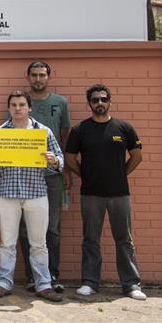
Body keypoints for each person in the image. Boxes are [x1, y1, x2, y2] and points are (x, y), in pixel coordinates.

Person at [0, 90, 64, 302]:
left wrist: (54, 160)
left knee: (39, 243)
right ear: (9, 108)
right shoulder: (0, 133)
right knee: (7, 242)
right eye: (14, 105)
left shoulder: (42, 132)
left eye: (22, 105)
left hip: (36, 192)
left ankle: (43, 284)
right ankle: (3, 282)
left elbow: (60, 160)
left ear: (29, 107)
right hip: (7, 193)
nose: (18, 108)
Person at [65, 83, 146, 300]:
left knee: (124, 240)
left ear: (110, 101)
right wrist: (85, 175)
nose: (99, 103)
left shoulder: (124, 128)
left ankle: (131, 285)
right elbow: (70, 158)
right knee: (91, 239)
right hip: (91, 194)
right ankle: (90, 283)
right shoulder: (80, 130)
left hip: (120, 194)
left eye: (103, 99)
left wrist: (121, 174)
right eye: (95, 100)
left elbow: (136, 156)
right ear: (89, 103)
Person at [16, 61, 70, 293]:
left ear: (49, 77)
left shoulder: (60, 103)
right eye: (34, 75)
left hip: (52, 176)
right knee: (26, 229)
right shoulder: (21, 103)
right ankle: (31, 276)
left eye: (42, 75)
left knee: (53, 228)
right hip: (27, 177)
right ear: (27, 77)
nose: (38, 79)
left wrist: (64, 167)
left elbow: (64, 135)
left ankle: (52, 275)